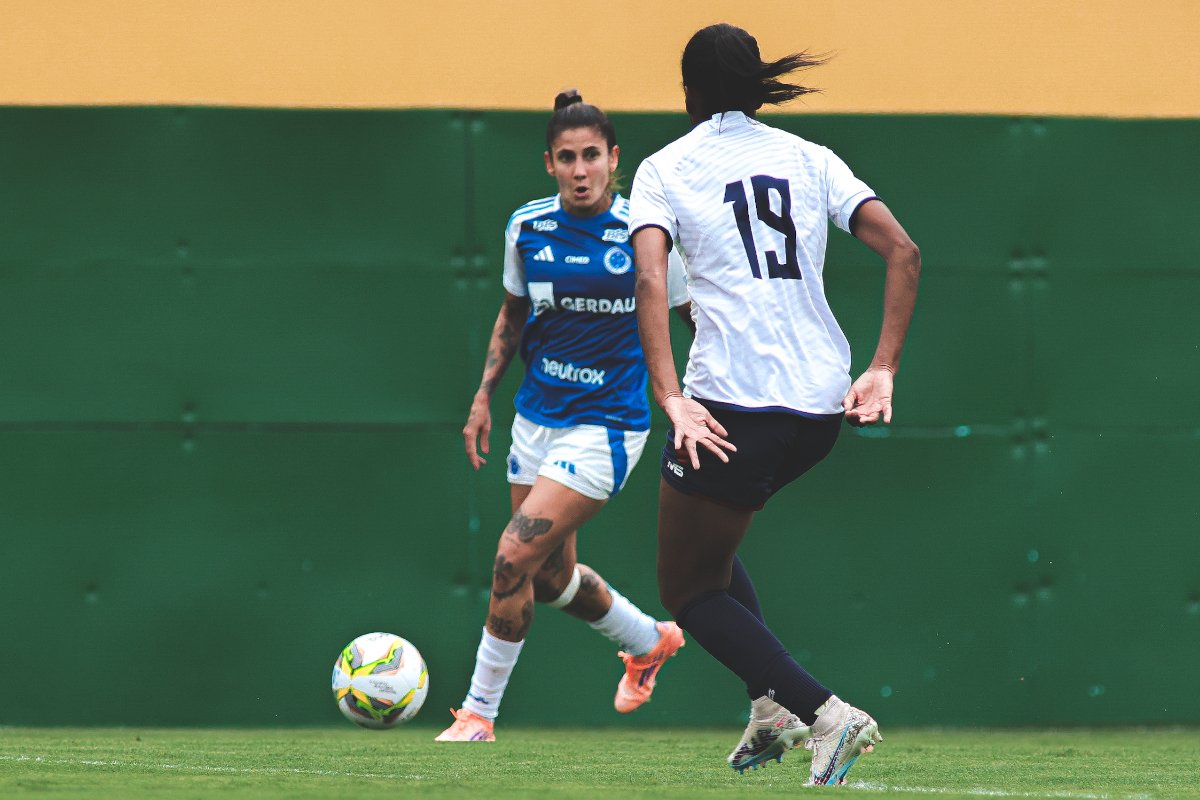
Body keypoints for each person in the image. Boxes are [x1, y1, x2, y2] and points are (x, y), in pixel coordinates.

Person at [629, 24, 921, 785]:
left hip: (734, 406)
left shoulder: (664, 169)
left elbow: (653, 284)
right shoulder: (810, 158)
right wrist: (882, 366)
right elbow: (904, 251)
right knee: (714, 555)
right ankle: (768, 709)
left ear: (688, 92)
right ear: (758, 86)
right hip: (819, 410)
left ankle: (825, 713)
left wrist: (672, 397)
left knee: (688, 590)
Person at [435, 90, 691, 743]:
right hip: (536, 418)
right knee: (548, 578)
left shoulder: (645, 234)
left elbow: (695, 318)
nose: (581, 170)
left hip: (608, 425)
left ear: (614, 160)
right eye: (567, 158)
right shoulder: (528, 228)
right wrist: (483, 394)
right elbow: (514, 314)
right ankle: (649, 641)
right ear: (549, 163)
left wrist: (698, 401)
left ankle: (477, 715)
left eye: (592, 157)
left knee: (510, 556)